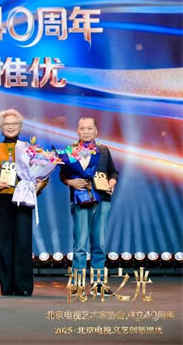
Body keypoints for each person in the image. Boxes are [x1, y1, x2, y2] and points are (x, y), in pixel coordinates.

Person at [0, 109, 46, 296]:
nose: (10, 127)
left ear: (19, 126)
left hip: (23, 199)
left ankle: (23, 286)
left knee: (23, 242)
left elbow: (42, 175)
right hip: (3, 199)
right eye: (6, 124)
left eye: (14, 124)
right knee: (5, 244)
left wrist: (38, 185)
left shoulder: (29, 148)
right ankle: (7, 286)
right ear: (1, 127)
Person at [59, 117, 118, 294]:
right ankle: (77, 283)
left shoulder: (103, 150)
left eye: (89, 128)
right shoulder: (70, 151)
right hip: (80, 199)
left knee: (99, 243)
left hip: (102, 199)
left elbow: (113, 172)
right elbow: (63, 175)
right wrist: (70, 182)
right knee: (80, 244)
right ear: (77, 131)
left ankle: (98, 284)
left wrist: (112, 182)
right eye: (82, 128)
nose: (86, 131)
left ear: (96, 131)